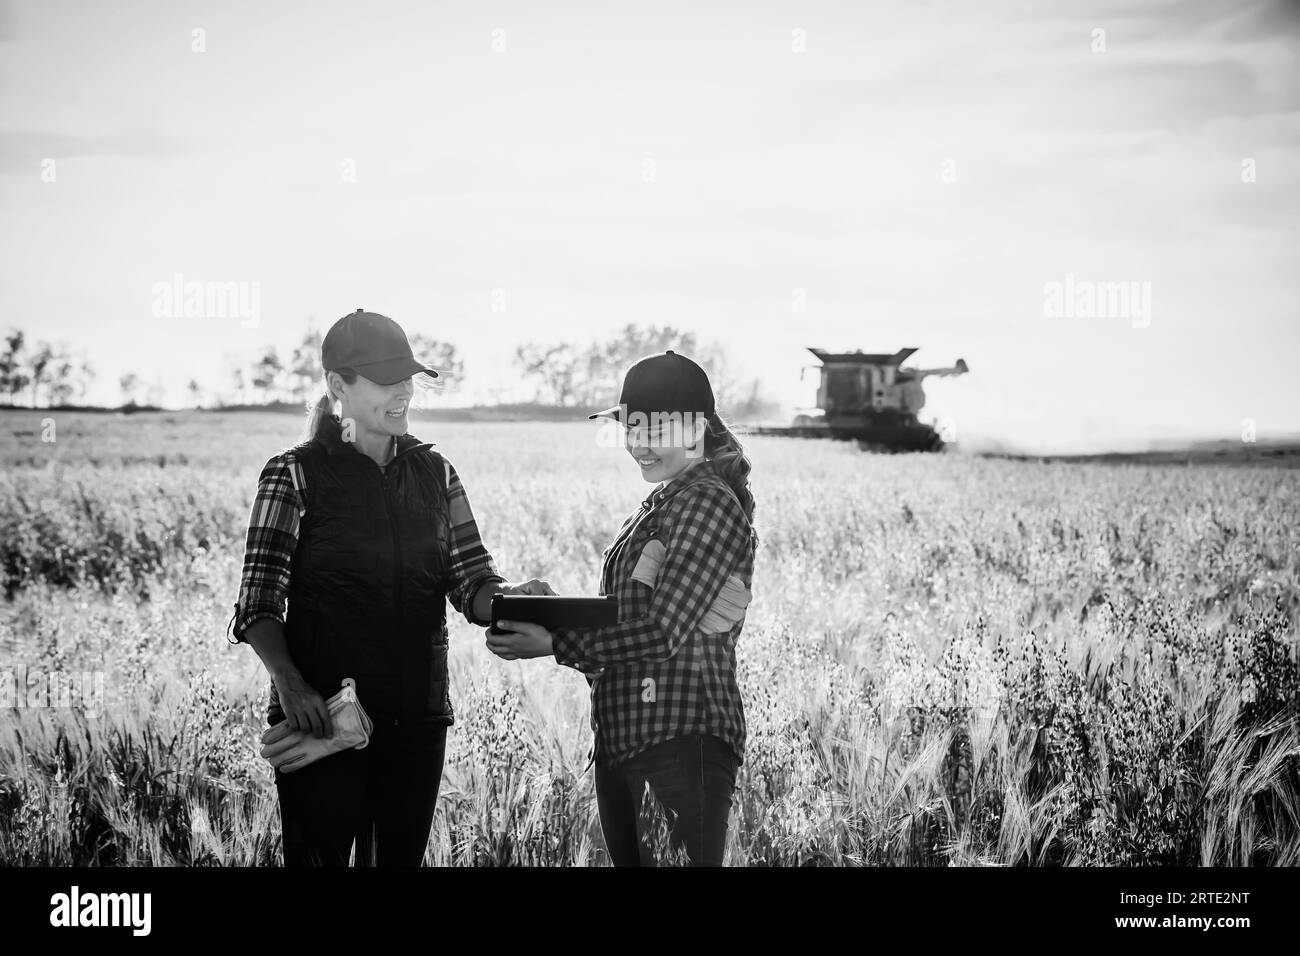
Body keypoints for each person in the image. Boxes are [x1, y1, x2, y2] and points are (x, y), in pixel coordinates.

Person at [227, 308, 552, 867]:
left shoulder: (436, 472)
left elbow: (471, 580)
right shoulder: (292, 475)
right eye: (385, 380)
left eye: (407, 378)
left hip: (416, 724)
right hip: (326, 723)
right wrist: (291, 686)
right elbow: (257, 601)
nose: (403, 391)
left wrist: (511, 600)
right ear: (338, 386)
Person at [487, 350, 757, 866]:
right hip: (625, 740)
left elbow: (661, 633)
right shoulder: (660, 504)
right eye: (631, 430)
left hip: (680, 743)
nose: (637, 444)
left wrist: (553, 643)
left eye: (652, 431)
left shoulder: (706, 503)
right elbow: (625, 620)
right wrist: (554, 614)